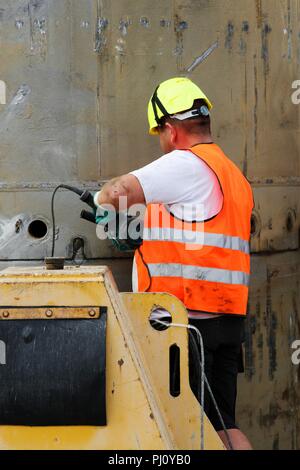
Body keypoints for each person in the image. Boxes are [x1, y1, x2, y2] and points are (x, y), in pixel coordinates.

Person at [94, 77, 254, 450]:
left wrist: (106, 205)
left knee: (184, 430)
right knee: (221, 427)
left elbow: (115, 193)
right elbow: (195, 230)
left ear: (171, 129)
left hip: (185, 325)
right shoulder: (231, 174)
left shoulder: (184, 163)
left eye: (160, 134)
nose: (161, 143)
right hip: (225, 321)